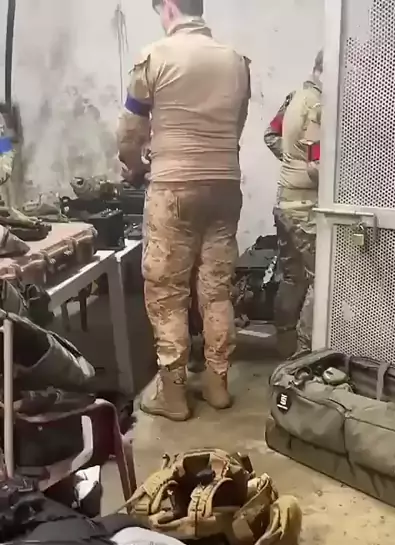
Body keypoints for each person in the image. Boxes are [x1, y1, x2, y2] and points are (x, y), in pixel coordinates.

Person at [117, 0, 251, 421]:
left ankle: (173, 395)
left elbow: (130, 133)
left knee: (166, 290)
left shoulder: (154, 57)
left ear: (170, 6)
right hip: (225, 185)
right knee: (217, 289)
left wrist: (135, 167)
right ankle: (218, 384)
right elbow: (237, 125)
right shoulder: (236, 62)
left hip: (174, 186)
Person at [267, 52, 323, 357]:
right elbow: (317, 167)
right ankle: (304, 352)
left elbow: (271, 135)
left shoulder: (295, 98)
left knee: (293, 278)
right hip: (306, 209)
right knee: (321, 280)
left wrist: (291, 160)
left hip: (285, 202)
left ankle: (284, 345)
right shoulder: (319, 105)